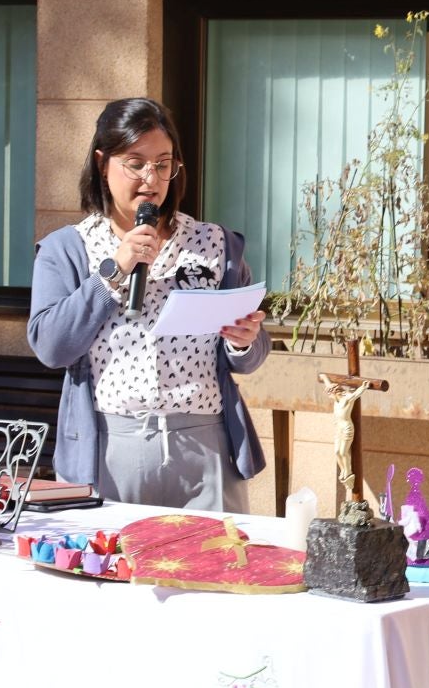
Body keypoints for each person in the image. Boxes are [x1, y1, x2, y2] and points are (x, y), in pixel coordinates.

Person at [27, 97, 269, 512]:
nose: (150, 178)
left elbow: (249, 356)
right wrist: (114, 272)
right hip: (110, 447)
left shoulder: (214, 244)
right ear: (103, 163)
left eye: (162, 164)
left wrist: (245, 341)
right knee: (112, 572)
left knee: (211, 571)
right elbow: (51, 346)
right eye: (135, 163)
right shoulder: (67, 249)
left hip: (205, 445)